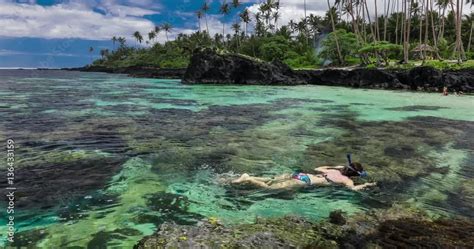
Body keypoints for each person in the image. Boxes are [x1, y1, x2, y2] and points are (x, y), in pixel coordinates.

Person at [231, 162, 376, 191]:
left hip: (302, 175)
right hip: (305, 182)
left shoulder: (335, 171)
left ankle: (249, 176)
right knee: (270, 189)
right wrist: (366, 185)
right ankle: (248, 179)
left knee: (272, 180)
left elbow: (317, 168)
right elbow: (353, 190)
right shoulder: (346, 180)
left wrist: (334, 167)